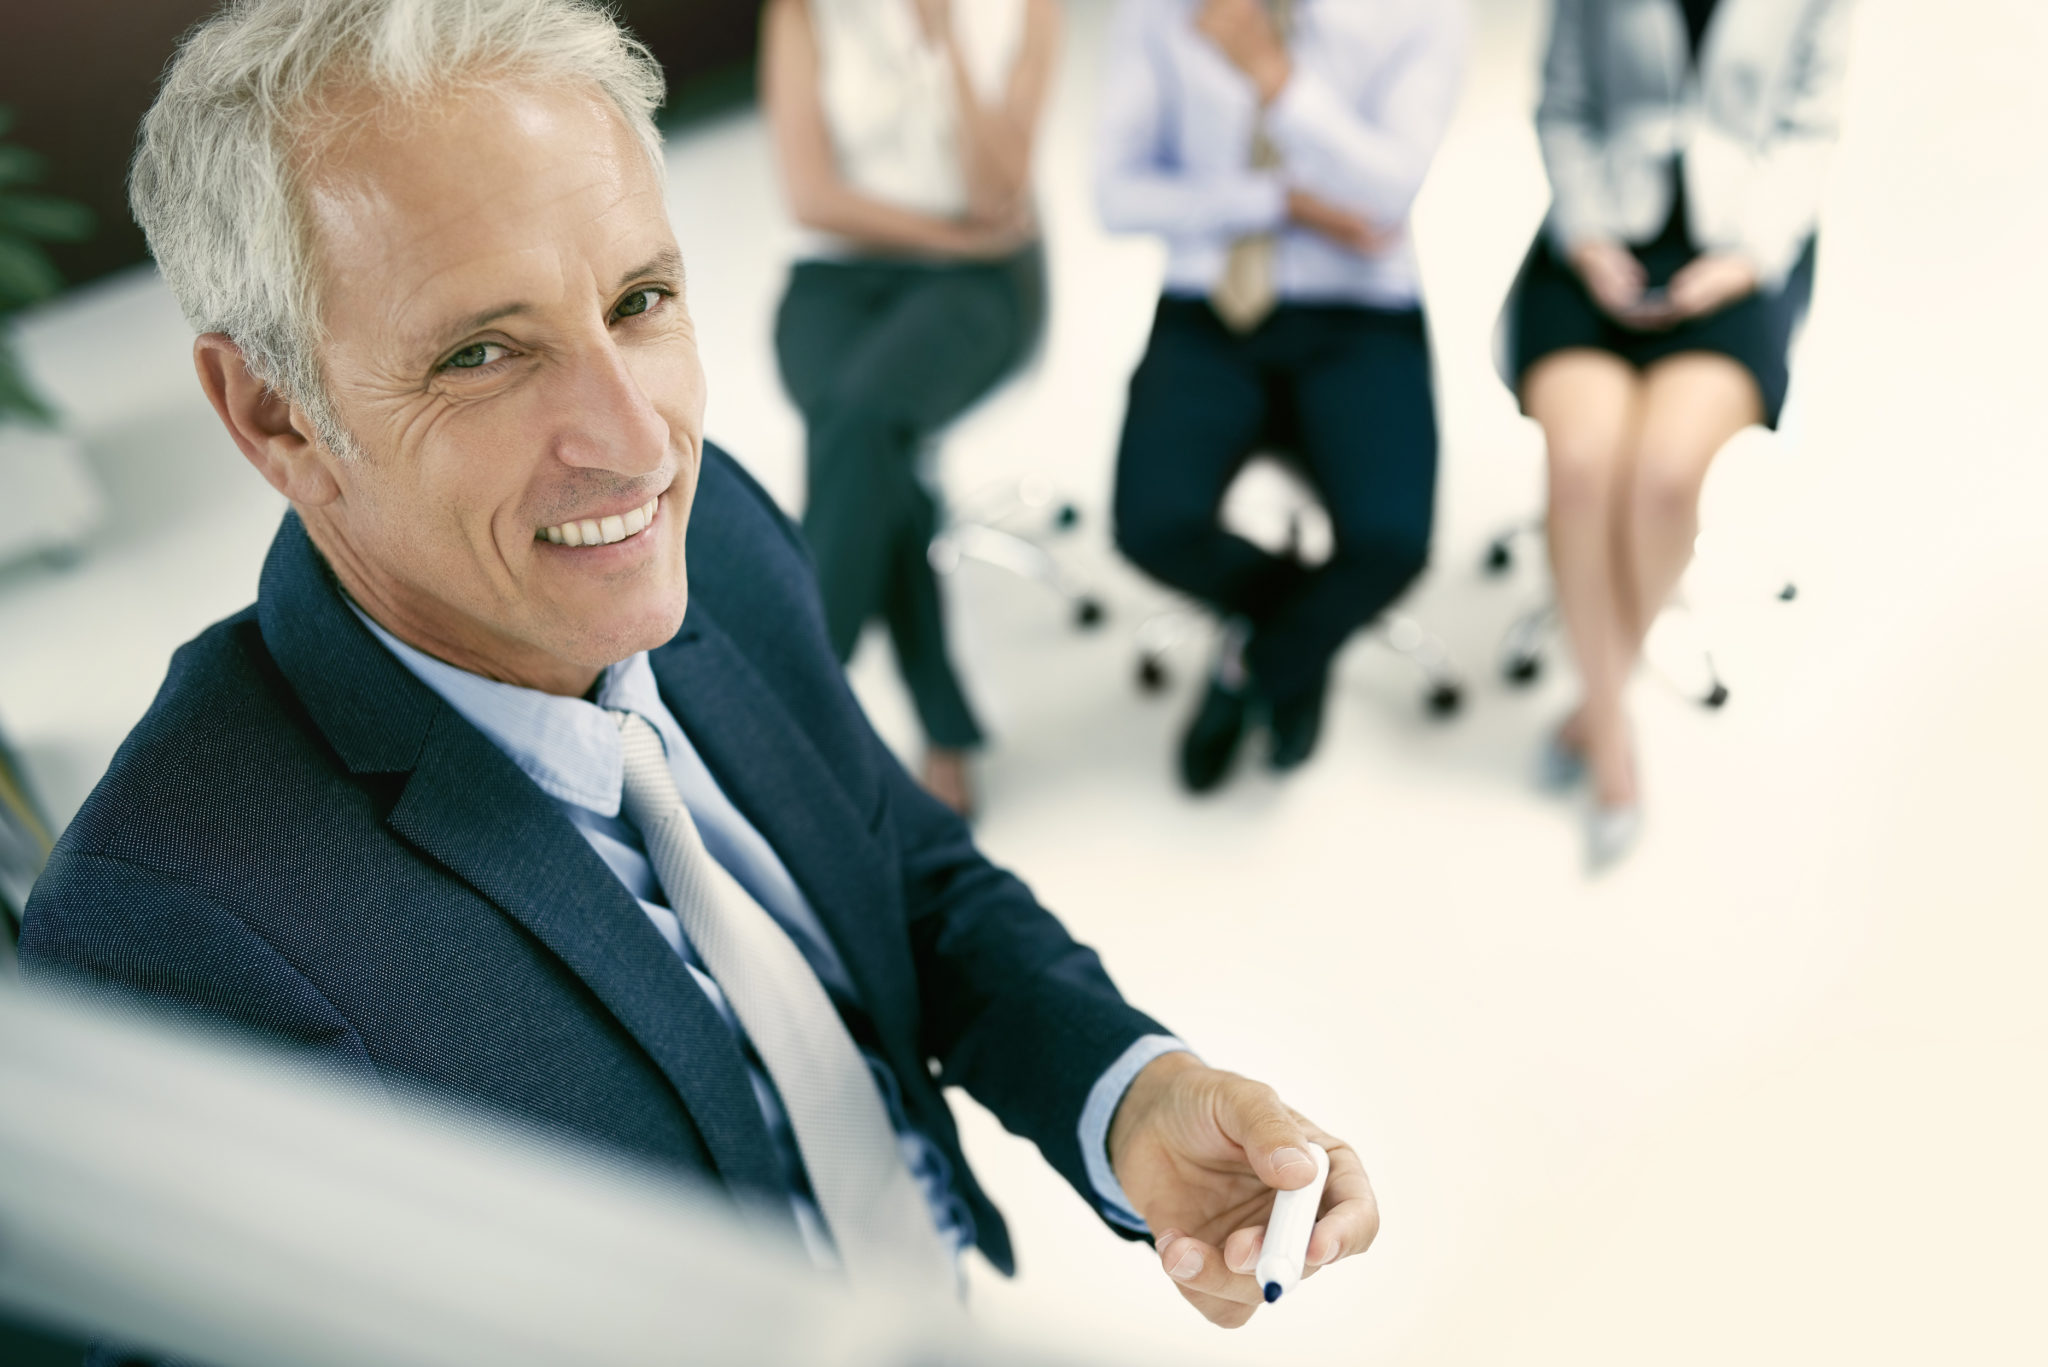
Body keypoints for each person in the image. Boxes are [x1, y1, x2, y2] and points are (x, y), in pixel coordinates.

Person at [20, 0, 1378, 1333]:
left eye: (640, 298)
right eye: (482, 353)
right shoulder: (175, 942)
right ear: (274, 413)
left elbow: (891, 865)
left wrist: (1124, 1090)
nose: (637, 441)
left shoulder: (706, 523)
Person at [1509, 0, 1854, 866]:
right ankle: (1611, 732)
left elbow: (1809, 127)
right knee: (1584, 469)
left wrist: (1743, 260)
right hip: (1602, 234)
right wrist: (1587, 241)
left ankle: (1597, 703)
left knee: (1663, 477)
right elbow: (1562, 104)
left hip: (1740, 243)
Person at [1098, 0, 1468, 795]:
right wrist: (1277, 203)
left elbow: (1387, 193)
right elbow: (1116, 195)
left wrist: (1276, 78)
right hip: (1208, 306)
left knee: (1392, 543)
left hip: (1363, 310)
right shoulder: (1158, 11)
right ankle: (1301, 629)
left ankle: (1259, 661)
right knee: (1150, 523)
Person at [761, 0, 1058, 820]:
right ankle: (941, 725)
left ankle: (788, 705)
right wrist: (952, 237)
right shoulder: (802, 14)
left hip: (983, 289)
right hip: (841, 282)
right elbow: (811, 196)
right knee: (866, 435)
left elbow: (1001, 185)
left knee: (858, 421)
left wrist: (949, 42)